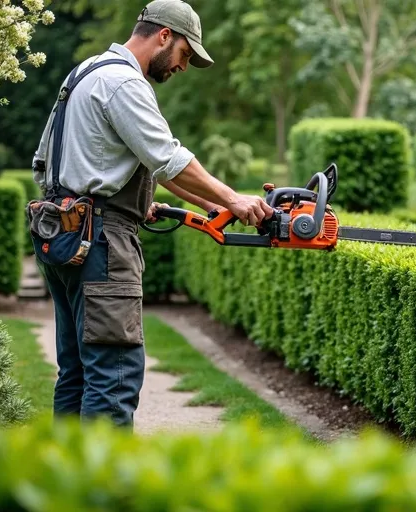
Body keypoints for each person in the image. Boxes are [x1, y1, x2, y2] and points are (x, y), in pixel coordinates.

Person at [30, 0, 274, 428]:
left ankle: (63, 486)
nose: (182, 66)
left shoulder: (83, 74)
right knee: (113, 377)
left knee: (77, 375)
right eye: (184, 54)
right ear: (164, 35)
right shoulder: (125, 83)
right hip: (102, 247)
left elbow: (47, 165)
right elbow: (169, 157)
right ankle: (104, 493)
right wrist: (233, 198)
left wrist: (206, 203)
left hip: (64, 238)